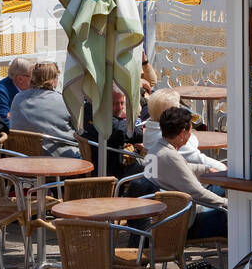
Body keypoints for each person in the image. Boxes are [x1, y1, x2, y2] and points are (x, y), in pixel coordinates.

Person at [149, 106, 228, 239]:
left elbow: (180, 168)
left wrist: (206, 169)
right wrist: (227, 203)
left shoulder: (156, 149)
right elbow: (197, 193)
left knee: (219, 189)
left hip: (165, 219)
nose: (191, 135)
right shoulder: (171, 156)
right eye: (190, 131)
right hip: (182, 225)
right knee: (234, 217)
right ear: (182, 133)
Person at [9, 60, 81, 158]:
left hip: (23, 158)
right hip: (59, 159)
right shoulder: (64, 100)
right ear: (54, 80)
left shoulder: (17, 98)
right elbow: (80, 129)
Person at [141, 89, 225, 171]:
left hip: (159, 176)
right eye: (179, 107)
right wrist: (223, 168)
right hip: (174, 180)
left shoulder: (150, 130)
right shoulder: (171, 138)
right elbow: (197, 158)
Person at [81, 87, 145, 180]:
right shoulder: (105, 121)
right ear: (103, 102)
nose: (120, 108)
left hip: (98, 166)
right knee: (152, 170)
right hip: (112, 172)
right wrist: (145, 134)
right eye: (114, 104)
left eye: (122, 103)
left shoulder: (87, 109)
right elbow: (127, 132)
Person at [0, 57, 32, 124]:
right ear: (20, 79)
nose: (35, 79)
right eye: (32, 76)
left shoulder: (26, 88)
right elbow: (4, 123)